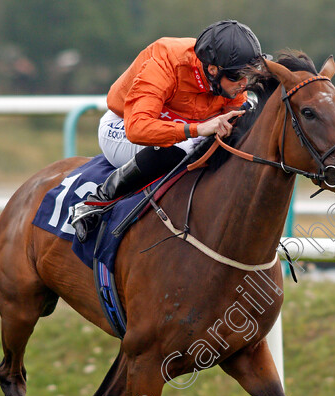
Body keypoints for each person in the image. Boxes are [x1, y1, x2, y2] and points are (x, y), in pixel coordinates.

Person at [69, 19, 266, 242]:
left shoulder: (227, 78)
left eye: (248, 75)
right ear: (212, 69)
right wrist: (198, 128)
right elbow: (138, 128)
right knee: (186, 145)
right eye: (237, 77)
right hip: (123, 125)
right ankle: (96, 202)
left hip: (180, 127)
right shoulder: (166, 61)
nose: (243, 84)